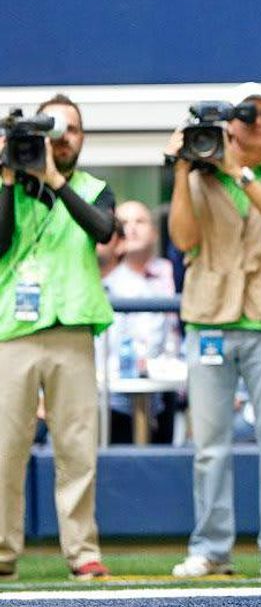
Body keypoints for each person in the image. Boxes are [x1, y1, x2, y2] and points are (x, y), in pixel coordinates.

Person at [166, 92, 261, 580]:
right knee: (209, 445)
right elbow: (183, 239)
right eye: (246, 116)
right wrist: (183, 169)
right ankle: (210, 548)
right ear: (228, 128)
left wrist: (238, 172)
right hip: (209, 319)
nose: (255, 123)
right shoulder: (198, 180)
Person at [0, 94, 114, 580]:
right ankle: (3, 552)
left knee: (77, 447)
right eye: (55, 130)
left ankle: (82, 552)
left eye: (72, 130)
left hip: (72, 329)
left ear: (81, 138)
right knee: (5, 448)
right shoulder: (6, 184)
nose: (63, 138)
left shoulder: (93, 187)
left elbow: (103, 230)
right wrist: (8, 177)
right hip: (13, 333)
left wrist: (54, 181)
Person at [98, 200, 182, 444]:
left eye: (139, 222)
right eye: (123, 224)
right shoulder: (98, 284)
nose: (131, 230)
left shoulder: (167, 275)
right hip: (104, 397)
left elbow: (152, 346)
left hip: (151, 396)